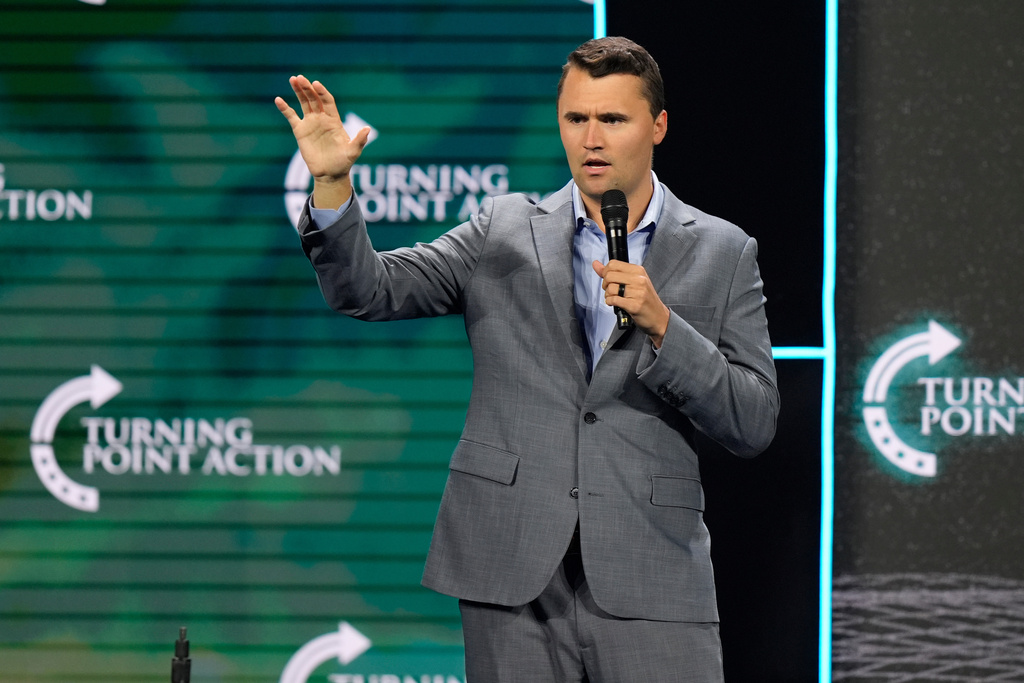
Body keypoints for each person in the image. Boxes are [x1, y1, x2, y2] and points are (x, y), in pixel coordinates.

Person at [276, 36, 779, 682]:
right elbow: (368, 289)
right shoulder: (502, 229)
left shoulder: (722, 252)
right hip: (511, 573)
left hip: (651, 572)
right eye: (576, 119)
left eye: (613, 119)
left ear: (658, 125)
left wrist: (662, 326)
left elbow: (755, 419)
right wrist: (331, 184)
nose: (591, 139)